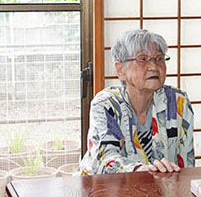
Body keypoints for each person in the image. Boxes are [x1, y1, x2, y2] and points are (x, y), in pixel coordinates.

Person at [78, 29, 194, 174]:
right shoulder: (107, 104)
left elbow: (186, 162)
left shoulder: (178, 102)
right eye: (143, 59)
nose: (154, 67)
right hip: (104, 189)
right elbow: (105, 158)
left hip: (158, 189)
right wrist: (140, 170)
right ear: (120, 70)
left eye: (159, 58)